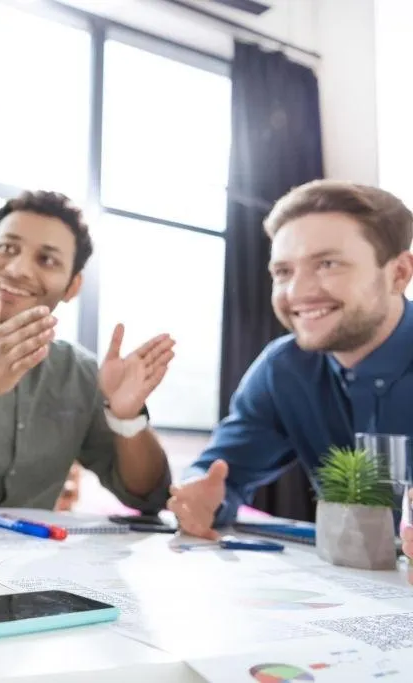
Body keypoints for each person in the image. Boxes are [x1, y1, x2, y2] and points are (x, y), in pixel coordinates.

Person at [0, 190, 174, 513]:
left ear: (72, 288)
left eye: (47, 260)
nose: (18, 269)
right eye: (7, 248)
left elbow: (149, 494)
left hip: (35, 559)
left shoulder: (79, 371)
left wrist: (127, 419)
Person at [171, 180, 413, 539]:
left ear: (398, 274)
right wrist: (200, 496)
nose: (297, 293)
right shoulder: (283, 370)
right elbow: (221, 473)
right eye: (283, 272)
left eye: (328, 264)